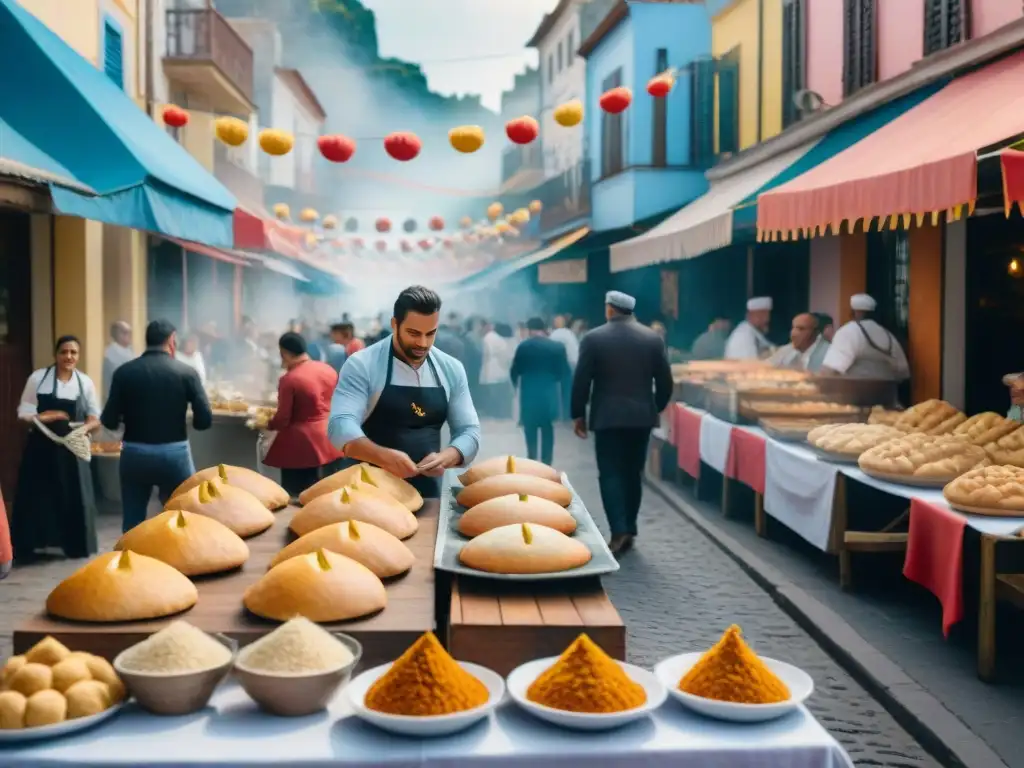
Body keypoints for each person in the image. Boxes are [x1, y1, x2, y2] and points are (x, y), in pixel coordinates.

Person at [328, 286, 481, 498]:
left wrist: (449, 456)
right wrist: (381, 456)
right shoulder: (362, 364)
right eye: (413, 333)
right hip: (366, 492)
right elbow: (340, 425)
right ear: (394, 324)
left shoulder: (451, 369)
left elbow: (469, 432)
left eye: (430, 334)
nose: (422, 343)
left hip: (427, 494)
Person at [571, 291, 673, 555]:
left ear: (609, 309)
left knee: (611, 474)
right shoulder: (653, 338)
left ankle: (619, 531)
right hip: (641, 418)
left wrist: (578, 414)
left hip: (607, 418)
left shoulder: (593, 338)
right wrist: (655, 407)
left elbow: (582, 380)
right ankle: (629, 526)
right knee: (633, 473)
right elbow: (665, 381)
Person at [102, 320, 213, 533]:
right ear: (172, 340)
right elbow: (204, 420)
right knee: (182, 516)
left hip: (134, 454)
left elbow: (109, 420)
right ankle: (178, 562)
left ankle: (131, 560)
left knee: (133, 519)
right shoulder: (187, 372)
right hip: (175, 454)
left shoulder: (124, 372)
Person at [12, 335, 102, 561]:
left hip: (72, 449)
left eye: (73, 352)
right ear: (56, 354)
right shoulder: (38, 378)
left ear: (78, 356)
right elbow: (24, 411)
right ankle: (33, 545)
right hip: (41, 447)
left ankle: (74, 545)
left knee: (74, 495)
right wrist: (45, 415)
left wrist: (85, 429)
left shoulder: (85, 382)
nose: (68, 357)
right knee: (37, 494)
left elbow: (95, 417)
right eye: (64, 352)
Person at [262, 332, 343, 499]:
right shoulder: (327, 369)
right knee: (324, 493)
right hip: (331, 439)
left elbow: (283, 418)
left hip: (301, 447)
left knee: (296, 496)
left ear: (284, 353)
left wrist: (267, 423)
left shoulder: (289, 379)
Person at [510, 317, 571, 465]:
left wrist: (516, 388)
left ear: (529, 330)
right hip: (549, 393)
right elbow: (565, 373)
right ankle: (546, 461)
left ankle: (532, 459)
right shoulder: (557, 347)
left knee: (530, 428)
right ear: (544, 329)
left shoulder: (523, 347)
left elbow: (514, 371)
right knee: (547, 428)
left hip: (529, 394)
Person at [820, 294, 910, 380]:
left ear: (856, 312)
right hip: (887, 394)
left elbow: (831, 370)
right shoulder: (888, 335)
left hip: (854, 394)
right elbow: (903, 372)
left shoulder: (849, 331)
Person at [480, 321, 514, 418]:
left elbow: (486, 355)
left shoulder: (489, 338)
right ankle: (502, 415)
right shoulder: (497, 338)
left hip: (491, 372)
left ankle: (496, 414)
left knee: (494, 395)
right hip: (500, 372)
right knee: (500, 396)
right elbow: (506, 357)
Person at [550, 315, 580, 420]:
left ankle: (561, 415)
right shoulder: (569, 333)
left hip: (563, 365)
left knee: (559, 392)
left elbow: (553, 351)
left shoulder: (556, 334)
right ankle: (568, 415)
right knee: (568, 391)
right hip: (572, 364)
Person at [102, 321, 134, 400]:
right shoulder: (111, 352)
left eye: (130, 333)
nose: (129, 336)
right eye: (125, 332)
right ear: (116, 334)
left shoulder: (129, 350)